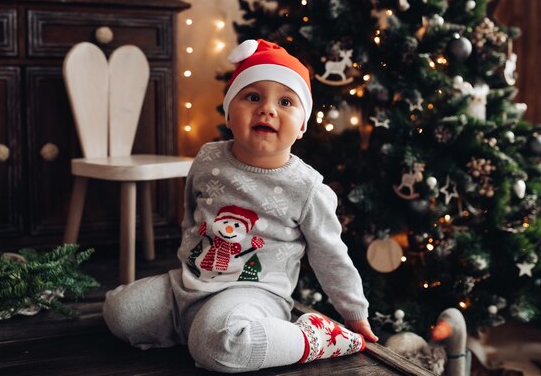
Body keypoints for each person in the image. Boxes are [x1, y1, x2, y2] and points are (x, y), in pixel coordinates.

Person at [103, 39, 378, 373]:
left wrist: (355, 313)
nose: (267, 109)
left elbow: (331, 255)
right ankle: (194, 330)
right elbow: (192, 214)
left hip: (252, 295)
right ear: (229, 113)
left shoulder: (307, 188)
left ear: (303, 125)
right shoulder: (208, 158)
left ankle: (313, 339)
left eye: (286, 101)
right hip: (188, 285)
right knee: (120, 312)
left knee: (226, 345)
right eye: (252, 96)